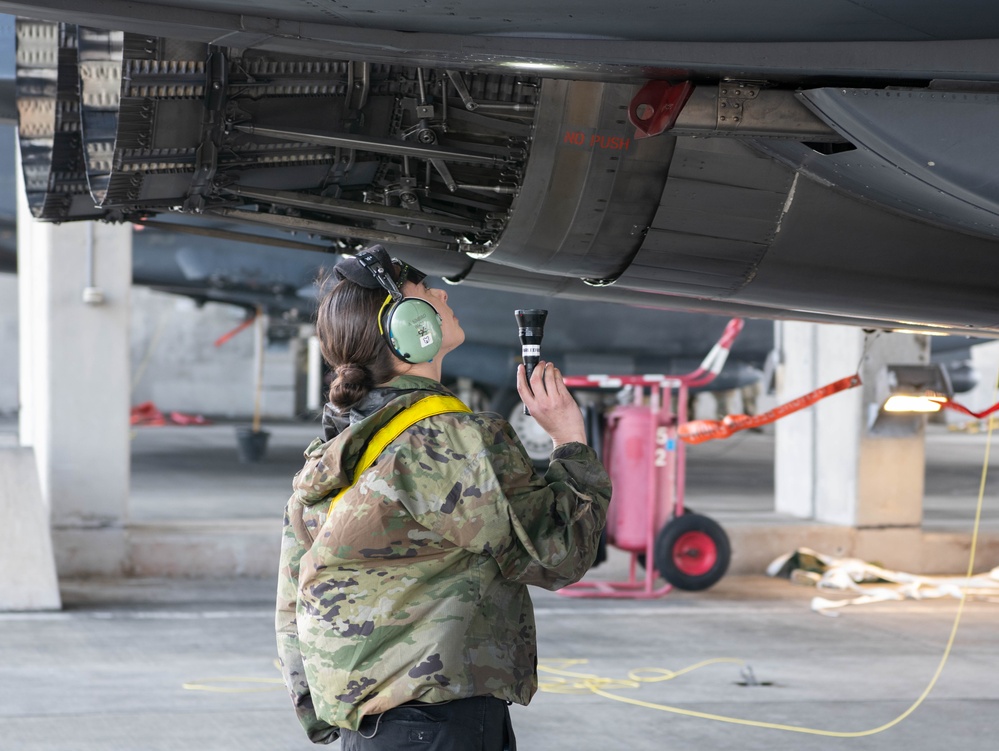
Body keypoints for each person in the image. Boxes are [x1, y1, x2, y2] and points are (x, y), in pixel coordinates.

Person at [275, 245, 611, 749]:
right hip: (440, 724)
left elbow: (293, 598)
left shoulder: (335, 446)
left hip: (368, 729)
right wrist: (570, 442)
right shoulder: (449, 441)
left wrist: (322, 713)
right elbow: (558, 553)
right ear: (408, 327)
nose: (442, 294)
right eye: (425, 292)